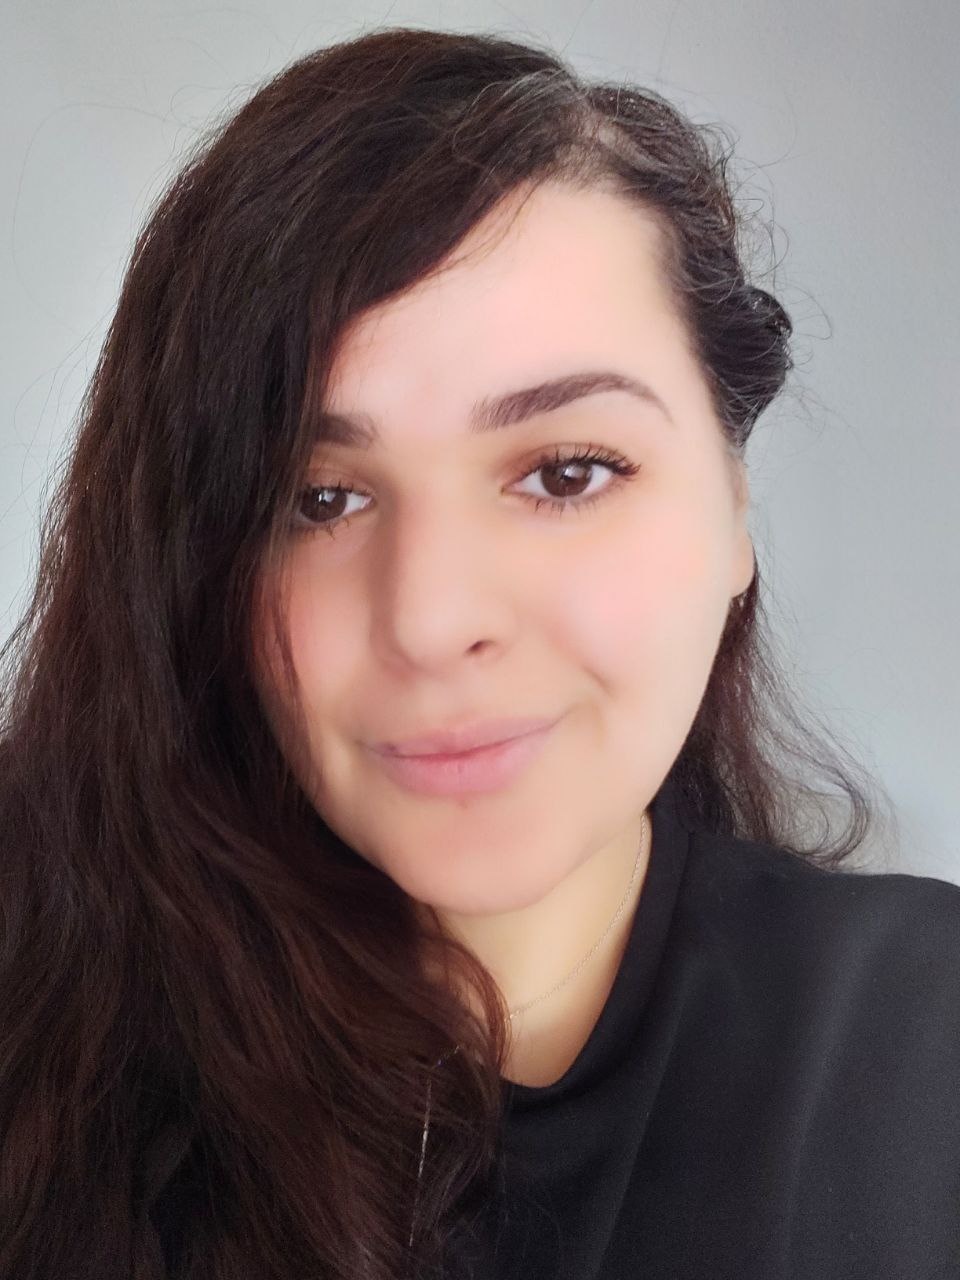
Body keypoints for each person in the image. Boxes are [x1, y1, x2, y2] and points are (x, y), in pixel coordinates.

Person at [1, 24, 958, 1280]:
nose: (431, 616)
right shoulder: (41, 1049)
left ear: (735, 509)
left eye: (566, 472)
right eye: (320, 498)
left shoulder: (923, 1045)